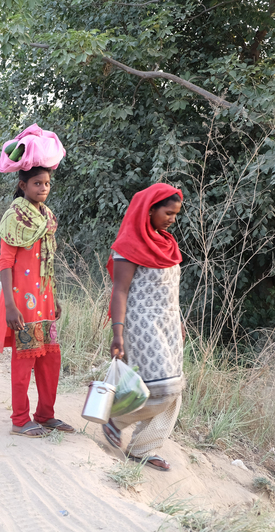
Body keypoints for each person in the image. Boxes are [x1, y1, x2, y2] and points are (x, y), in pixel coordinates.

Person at [0, 124, 74, 438]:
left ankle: (45, 414)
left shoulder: (47, 217)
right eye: (37, 183)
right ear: (23, 185)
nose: (43, 188)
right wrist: (10, 306)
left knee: (50, 359)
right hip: (22, 300)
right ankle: (19, 419)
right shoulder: (14, 217)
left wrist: (54, 297)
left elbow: (48, 262)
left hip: (44, 298)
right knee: (23, 362)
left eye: (47, 183)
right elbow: (5, 263)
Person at [103, 182, 185, 471]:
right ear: (149, 210)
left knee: (175, 389)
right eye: (167, 213)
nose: (172, 219)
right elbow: (120, 291)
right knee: (162, 388)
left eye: (175, 214)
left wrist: (179, 321)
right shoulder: (128, 246)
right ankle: (116, 420)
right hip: (142, 323)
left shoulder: (167, 244)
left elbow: (171, 290)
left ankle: (143, 448)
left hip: (169, 324)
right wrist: (118, 332)